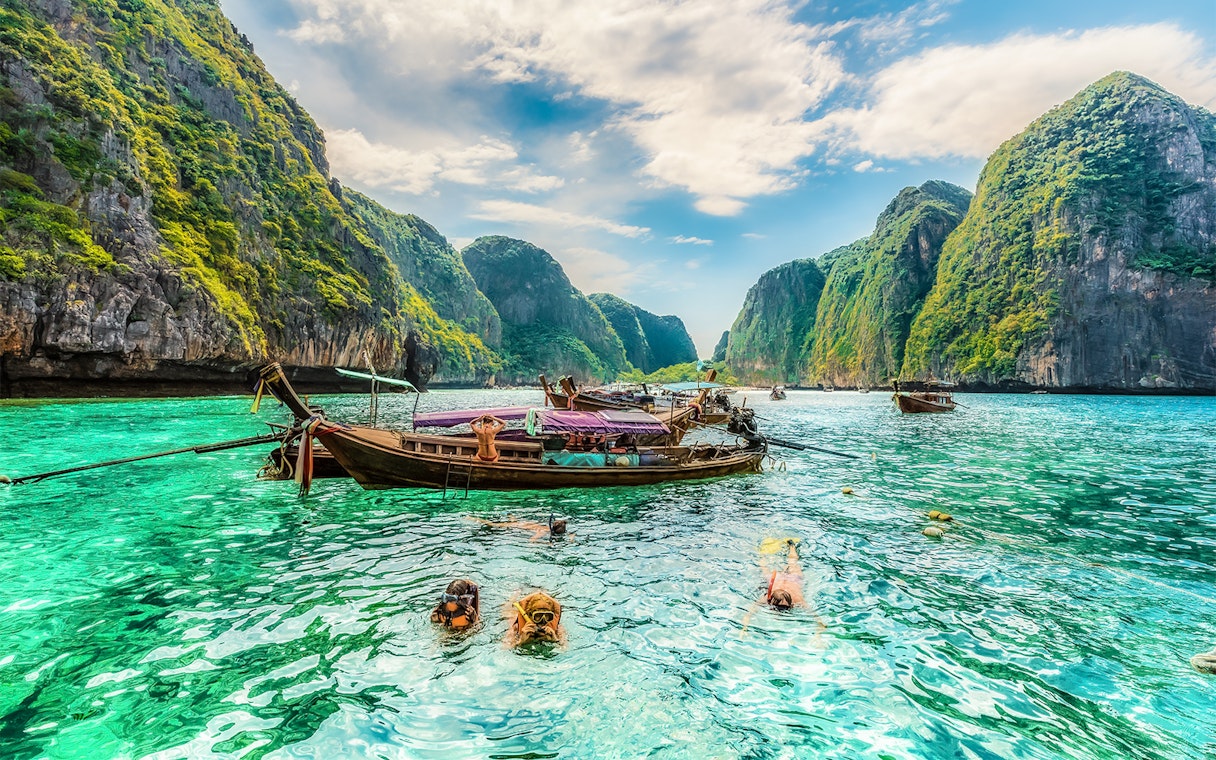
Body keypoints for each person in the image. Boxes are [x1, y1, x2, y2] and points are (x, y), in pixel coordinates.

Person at [741, 539, 826, 636]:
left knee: (768, 568)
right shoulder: (772, 598)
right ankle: (785, 547)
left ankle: (771, 551)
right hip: (784, 579)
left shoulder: (797, 599)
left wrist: (818, 636)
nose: (781, 610)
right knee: (790, 563)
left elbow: (819, 621)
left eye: (784, 607)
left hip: (789, 579)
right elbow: (749, 614)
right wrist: (744, 629)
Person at [470, 515, 568, 541]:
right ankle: (473, 519)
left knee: (514, 521)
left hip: (523, 524)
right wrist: (544, 543)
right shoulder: (542, 532)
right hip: (518, 527)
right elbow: (531, 541)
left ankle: (510, 516)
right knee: (493, 525)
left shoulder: (545, 527)